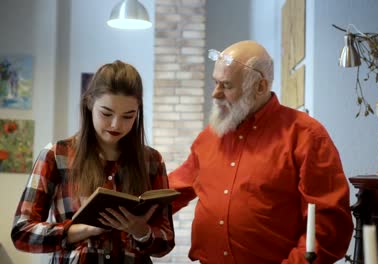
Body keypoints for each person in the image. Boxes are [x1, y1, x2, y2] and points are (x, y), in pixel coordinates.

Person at [169, 40, 353, 264]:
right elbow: (172, 191)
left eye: (226, 86)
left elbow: (328, 226)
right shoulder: (209, 137)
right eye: (215, 83)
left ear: (260, 87)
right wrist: (131, 203)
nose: (215, 94)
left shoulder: (307, 136)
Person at [11, 60, 175, 263]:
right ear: (89, 104)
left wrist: (140, 231)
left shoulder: (151, 160)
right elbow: (21, 233)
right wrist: (83, 229)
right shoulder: (56, 155)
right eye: (106, 113)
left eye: (128, 116)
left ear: (138, 112)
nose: (116, 124)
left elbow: (166, 242)